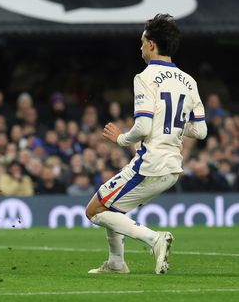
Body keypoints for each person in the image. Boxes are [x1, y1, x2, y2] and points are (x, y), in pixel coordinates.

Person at [85, 14, 207, 275]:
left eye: (142, 42)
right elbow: (201, 131)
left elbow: (142, 127)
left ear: (151, 44)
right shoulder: (190, 81)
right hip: (172, 167)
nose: (139, 47)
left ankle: (154, 239)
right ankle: (117, 263)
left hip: (149, 164)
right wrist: (173, 125)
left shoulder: (145, 77)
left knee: (94, 210)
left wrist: (120, 138)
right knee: (112, 207)